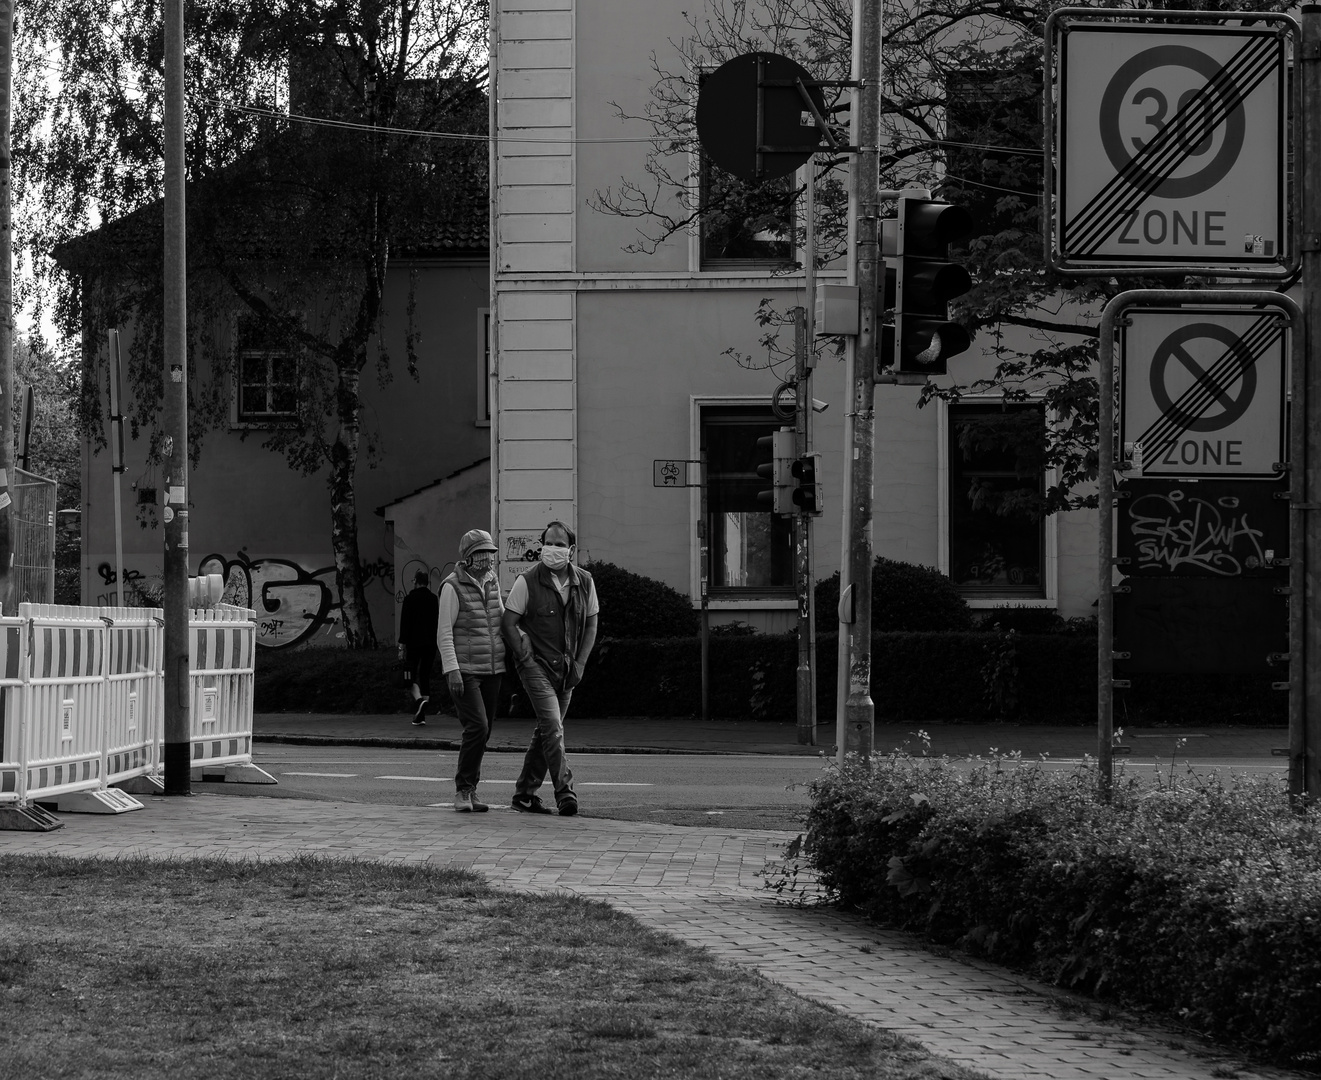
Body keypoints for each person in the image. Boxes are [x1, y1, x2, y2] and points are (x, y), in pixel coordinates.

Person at [502, 520, 598, 817]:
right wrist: (523, 655)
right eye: (548, 543)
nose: (552, 549)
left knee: (546, 731)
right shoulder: (527, 581)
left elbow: (592, 622)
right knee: (554, 729)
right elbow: (508, 623)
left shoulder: (585, 581)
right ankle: (565, 792)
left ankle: (524, 795)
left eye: (559, 544)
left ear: (570, 550)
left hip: (568, 670)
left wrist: (580, 663)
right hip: (537, 667)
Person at [437, 529, 505, 813]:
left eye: (490, 553)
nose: (488, 559)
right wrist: (452, 669)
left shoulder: (492, 582)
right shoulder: (452, 586)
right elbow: (444, 633)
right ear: (468, 557)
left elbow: (501, 617)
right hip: (465, 669)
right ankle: (463, 790)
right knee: (477, 726)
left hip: (493, 668)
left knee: (484, 732)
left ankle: (471, 790)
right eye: (482, 554)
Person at [397, 569, 438, 726]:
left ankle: (419, 700)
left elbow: (405, 624)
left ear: (415, 581)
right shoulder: (433, 599)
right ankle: (422, 714)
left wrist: (402, 645)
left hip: (414, 644)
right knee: (425, 675)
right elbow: (435, 622)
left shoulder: (410, 599)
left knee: (410, 677)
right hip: (430, 644)